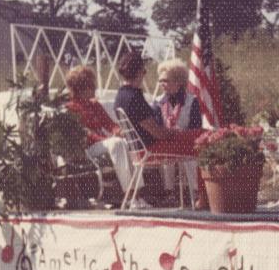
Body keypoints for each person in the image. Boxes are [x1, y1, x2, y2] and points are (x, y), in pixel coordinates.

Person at [114, 50, 207, 207]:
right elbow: (158, 133)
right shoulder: (135, 97)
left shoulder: (121, 95)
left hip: (139, 148)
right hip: (152, 148)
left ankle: (197, 194)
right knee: (203, 140)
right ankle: (203, 195)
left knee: (200, 136)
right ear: (138, 72)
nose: (144, 74)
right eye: (143, 70)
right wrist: (172, 132)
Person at [64, 65, 133, 194]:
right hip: (87, 149)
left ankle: (137, 192)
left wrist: (119, 131)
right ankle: (130, 193)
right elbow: (85, 133)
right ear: (81, 88)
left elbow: (110, 124)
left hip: (101, 144)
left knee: (126, 143)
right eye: (91, 85)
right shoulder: (71, 108)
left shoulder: (94, 104)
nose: (94, 87)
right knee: (117, 143)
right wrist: (108, 139)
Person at [155, 58, 202, 201]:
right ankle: (169, 193)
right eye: (161, 81)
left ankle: (195, 193)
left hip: (186, 142)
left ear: (178, 82)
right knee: (166, 155)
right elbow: (157, 127)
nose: (162, 84)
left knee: (190, 157)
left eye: (166, 81)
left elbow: (196, 129)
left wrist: (180, 136)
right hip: (167, 142)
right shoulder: (158, 102)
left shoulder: (192, 101)